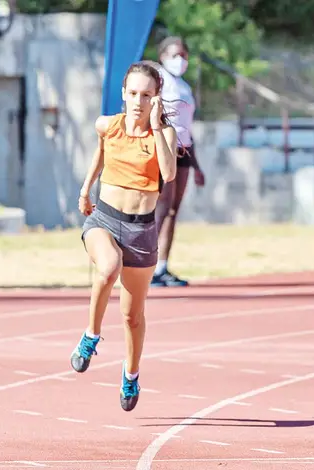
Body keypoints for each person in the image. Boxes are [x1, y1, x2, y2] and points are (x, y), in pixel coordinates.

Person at [70, 61, 178, 411]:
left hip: (142, 230)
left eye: (146, 95)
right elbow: (100, 153)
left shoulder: (164, 135)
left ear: (156, 99)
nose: (138, 101)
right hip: (104, 219)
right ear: (123, 94)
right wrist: (86, 190)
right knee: (108, 267)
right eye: (132, 93)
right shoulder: (107, 125)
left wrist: (159, 126)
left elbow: (169, 173)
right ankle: (91, 335)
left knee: (133, 316)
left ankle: (130, 374)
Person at [152, 35, 204, 287]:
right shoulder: (159, 80)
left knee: (173, 209)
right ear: (162, 56)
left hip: (184, 150)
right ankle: (145, 265)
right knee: (160, 207)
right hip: (165, 148)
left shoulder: (184, 86)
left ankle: (162, 266)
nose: (180, 60)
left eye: (184, 55)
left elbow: (187, 127)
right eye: (174, 55)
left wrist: (197, 165)